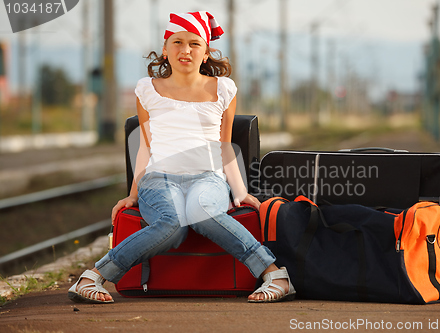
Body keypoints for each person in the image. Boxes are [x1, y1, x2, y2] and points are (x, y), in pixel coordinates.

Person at [68, 11, 295, 304]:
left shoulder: (223, 88)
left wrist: (240, 192)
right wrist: (132, 194)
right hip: (159, 179)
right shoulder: (146, 89)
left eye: (194, 44)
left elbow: (225, 145)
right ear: (165, 50)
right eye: (177, 42)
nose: (185, 50)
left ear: (206, 52)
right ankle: (93, 277)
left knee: (203, 210)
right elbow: (145, 148)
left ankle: (275, 276)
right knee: (172, 224)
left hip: (209, 177)